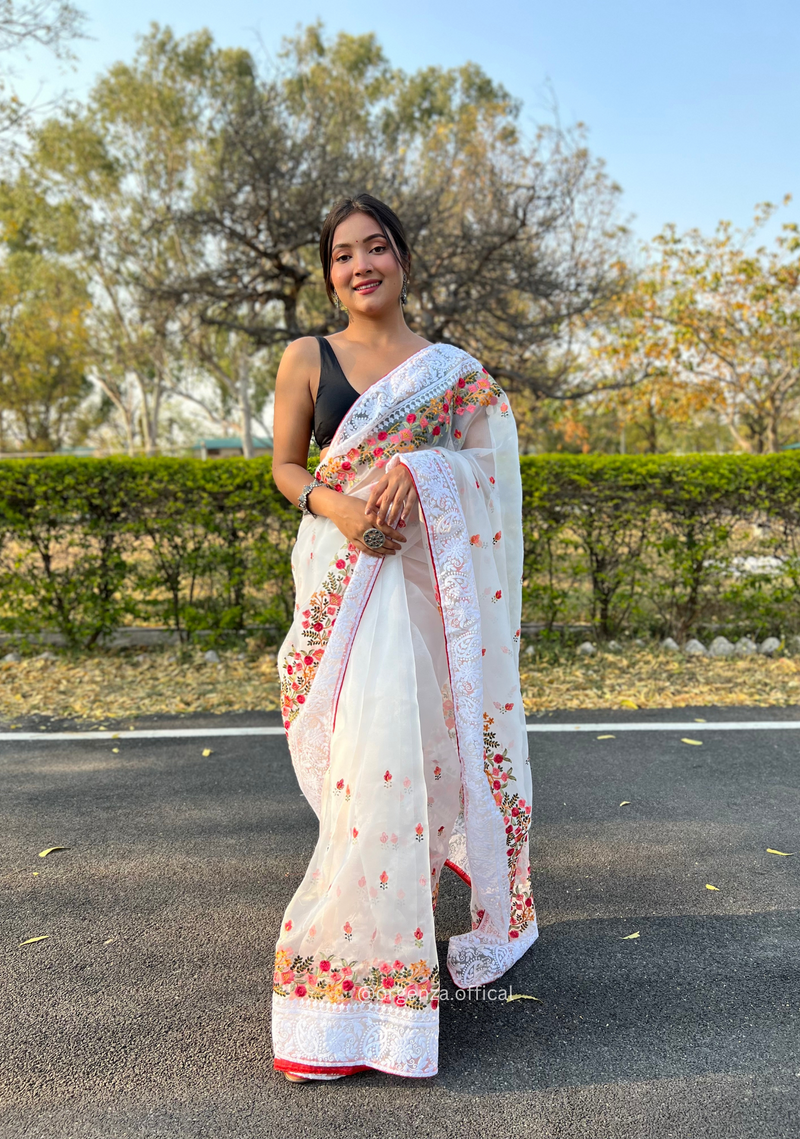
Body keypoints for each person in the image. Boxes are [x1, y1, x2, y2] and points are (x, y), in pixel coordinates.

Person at [269, 193, 538, 1081]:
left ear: (404, 260)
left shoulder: (452, 371)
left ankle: (395, 969)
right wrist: (339, 502)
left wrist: (423, 472)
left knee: (411, 765)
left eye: (375, 247)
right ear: (329, 273)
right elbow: (285, 464)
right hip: (342, 590)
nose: (359, 265)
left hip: (426, 601)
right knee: (361, 771)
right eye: (342, 254)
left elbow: (491, 468)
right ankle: (343, 982)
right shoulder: (307, 356)